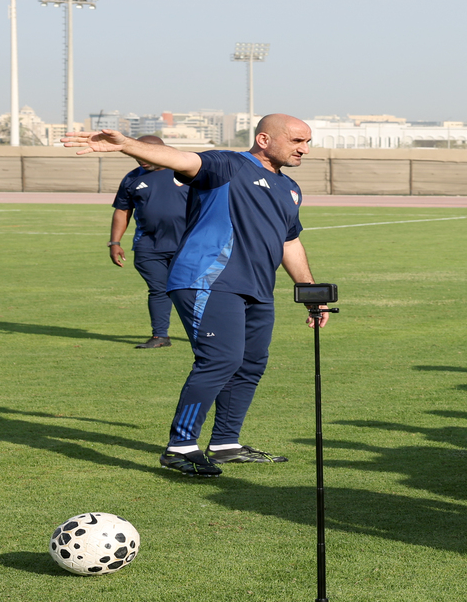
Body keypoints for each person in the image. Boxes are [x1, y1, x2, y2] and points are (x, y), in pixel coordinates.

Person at [64, 114, 329, 478]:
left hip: (257, 289)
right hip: (208, 279)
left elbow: (289, 241)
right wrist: (125, 145)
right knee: (220, 359)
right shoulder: (229, 165)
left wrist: (311, 293)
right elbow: (184, 160)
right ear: (265, 139)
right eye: (298, 141)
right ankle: (180, 447)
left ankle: (224, 444)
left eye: (308, 141)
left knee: (251, 363)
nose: (305, 149)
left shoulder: (290, 189)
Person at [109, 135, 190, 348]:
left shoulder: (186, 172)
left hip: (187, 246)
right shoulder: (132, 178)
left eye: (146, 153)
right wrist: (114, 242)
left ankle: (205, 334)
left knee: (188, 291)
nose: (141, 159)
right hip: (149, 246)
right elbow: (122, 211)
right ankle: (160, 336)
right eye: (137, 154)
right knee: (158, 289)